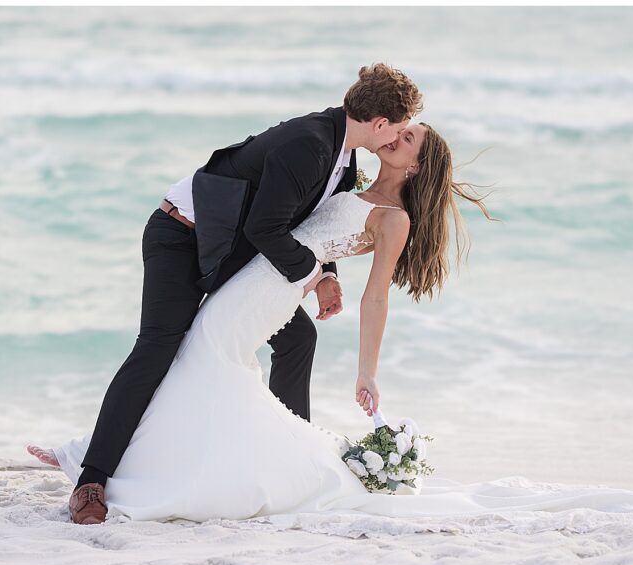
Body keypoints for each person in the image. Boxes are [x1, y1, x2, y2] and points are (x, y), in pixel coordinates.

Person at [30, 123, 633, 522]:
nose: (399, 136)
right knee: (200, 359)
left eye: (411, 139)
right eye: (402, 128)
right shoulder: (354, 175)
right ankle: (119, 461)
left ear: (415, 166)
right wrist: (322, 273)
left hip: (271, 289)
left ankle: (119, 466)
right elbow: (301, 228)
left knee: (204, 356)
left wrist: (367, 372)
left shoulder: (394, 220)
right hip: (265, 277)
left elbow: (376, 300)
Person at [45, 64, 423, 524]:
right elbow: (264, 227)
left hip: (231, 251)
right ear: (380, 124)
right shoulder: (311, 143)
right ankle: (93, 478)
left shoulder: (344, 158)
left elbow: (311, 223)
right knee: (159, 346)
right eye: (400, 130)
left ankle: (288, 455)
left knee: (298, 339)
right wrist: (312, 276)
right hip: (182, 237)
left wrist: (326, 274)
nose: (397, 138)